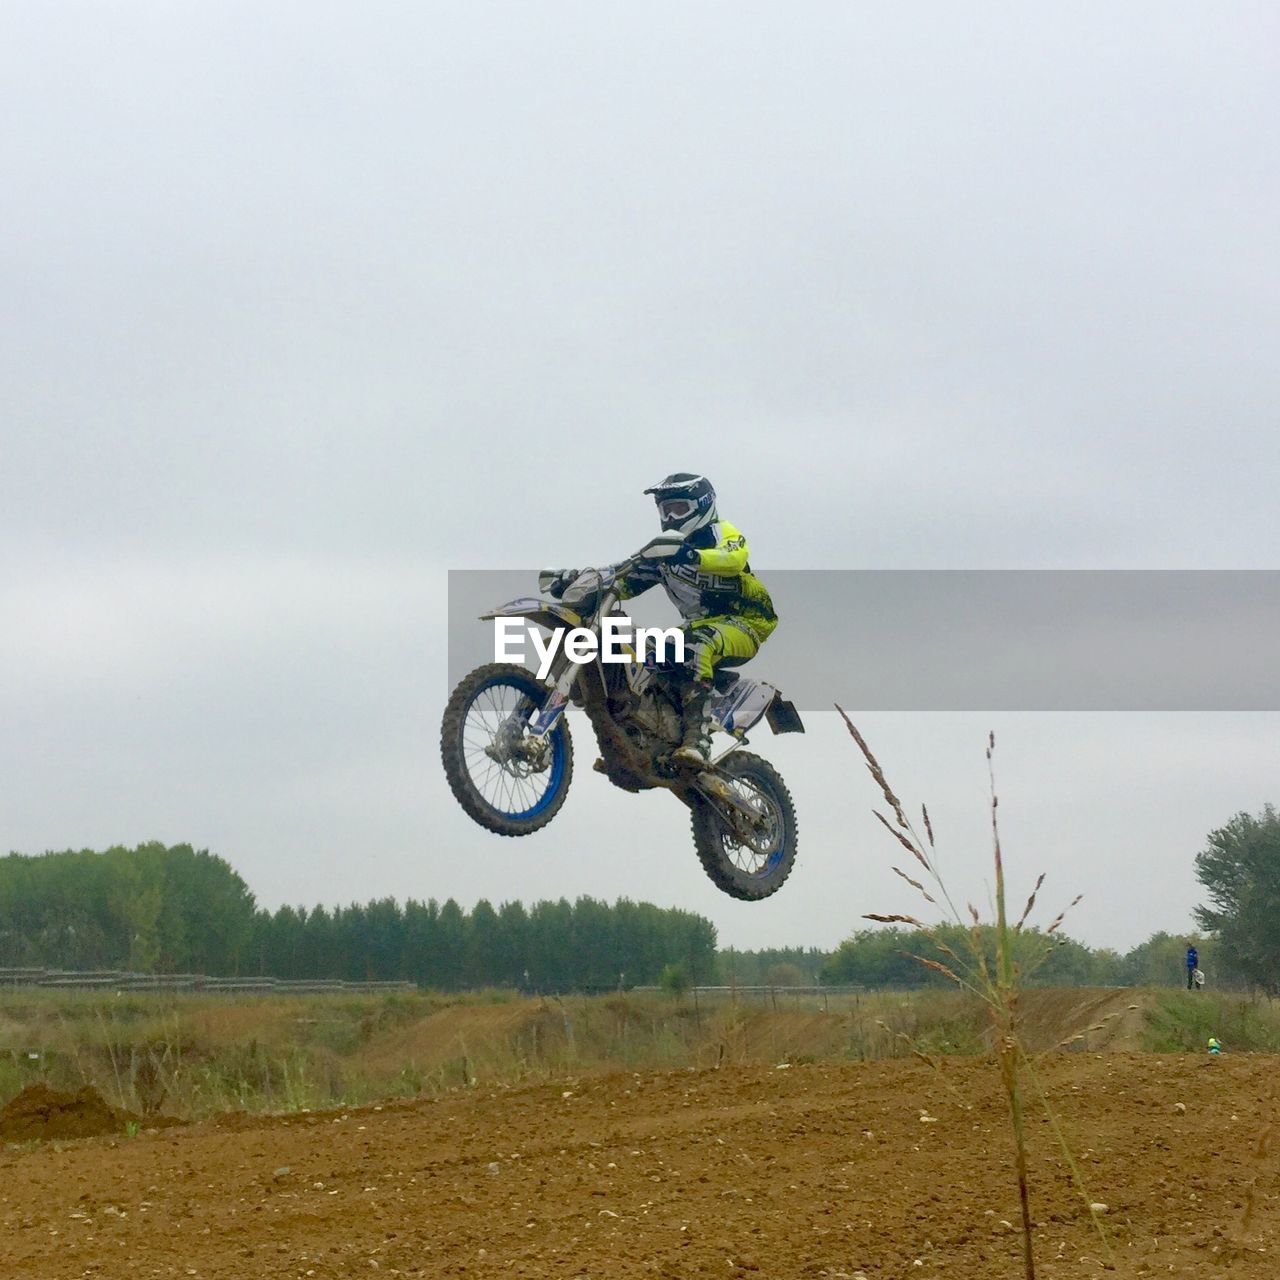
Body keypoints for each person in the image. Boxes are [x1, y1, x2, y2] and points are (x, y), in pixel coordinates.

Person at [550, 473, 777, 766]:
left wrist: (689, 555)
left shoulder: (721, 533)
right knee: (645, 655)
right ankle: (644, 737)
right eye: (664, 510)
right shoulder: (662, 552)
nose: (670, 517)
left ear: (701, 506)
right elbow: (621, 575)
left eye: (678, 509)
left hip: (745, 623)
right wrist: (577, 579)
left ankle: (698, 740)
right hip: (696, 626)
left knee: (695, 642)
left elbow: (734, 558)